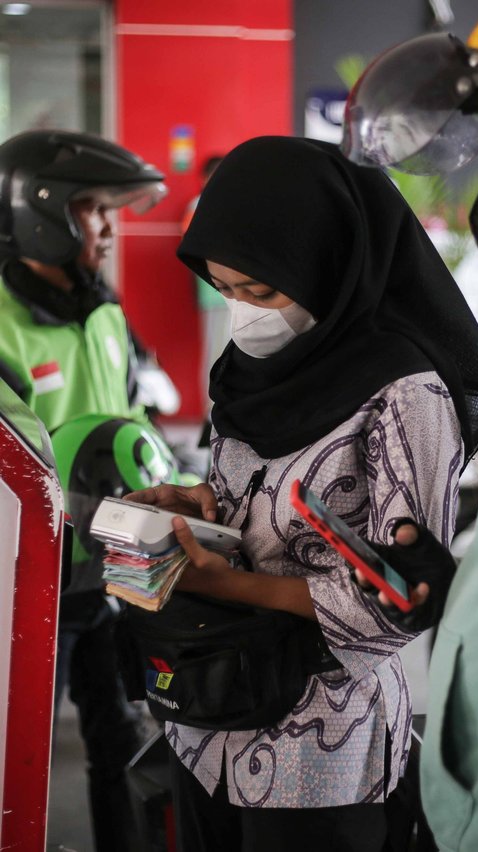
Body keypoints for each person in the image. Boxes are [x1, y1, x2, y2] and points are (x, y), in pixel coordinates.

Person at [125, 135, 478, 852]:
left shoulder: (406, 395)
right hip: (210, 719)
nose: (243, 314)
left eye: (261, 291)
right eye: (224, 289)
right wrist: (206, 507)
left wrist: (227, 582)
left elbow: (401, 604)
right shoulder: (253, 369)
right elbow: (261, 497)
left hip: (322, 753)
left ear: (329, 265)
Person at [0, 129, 175, 852]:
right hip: (29, 576)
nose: (108, 227)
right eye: (93, 208)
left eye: (111, 210)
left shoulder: (105, 311)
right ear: (40, 209)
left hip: (112, 563)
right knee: (18, 745)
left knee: (120, 734)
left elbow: (131, 418)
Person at [181, 155, 230, 416]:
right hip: (214, 294)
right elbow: (193, 247)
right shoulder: (197, 206)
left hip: (236, 294)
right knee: (215, 354)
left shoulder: (229, 204)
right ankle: (211, 414)